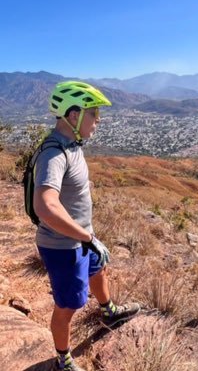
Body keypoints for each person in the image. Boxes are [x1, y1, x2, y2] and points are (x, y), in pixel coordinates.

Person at [33, 81, 140, 371]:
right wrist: (87, 236)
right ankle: (63, 359)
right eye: (94, 113)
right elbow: (45, 205)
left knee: (99, 268)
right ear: (73, 115)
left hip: (81, 238)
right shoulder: (53, 154)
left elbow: (68, 191)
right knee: (68, 305)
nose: (98, 120)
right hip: (64, 245)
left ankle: (109, 312)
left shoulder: (72, 145)